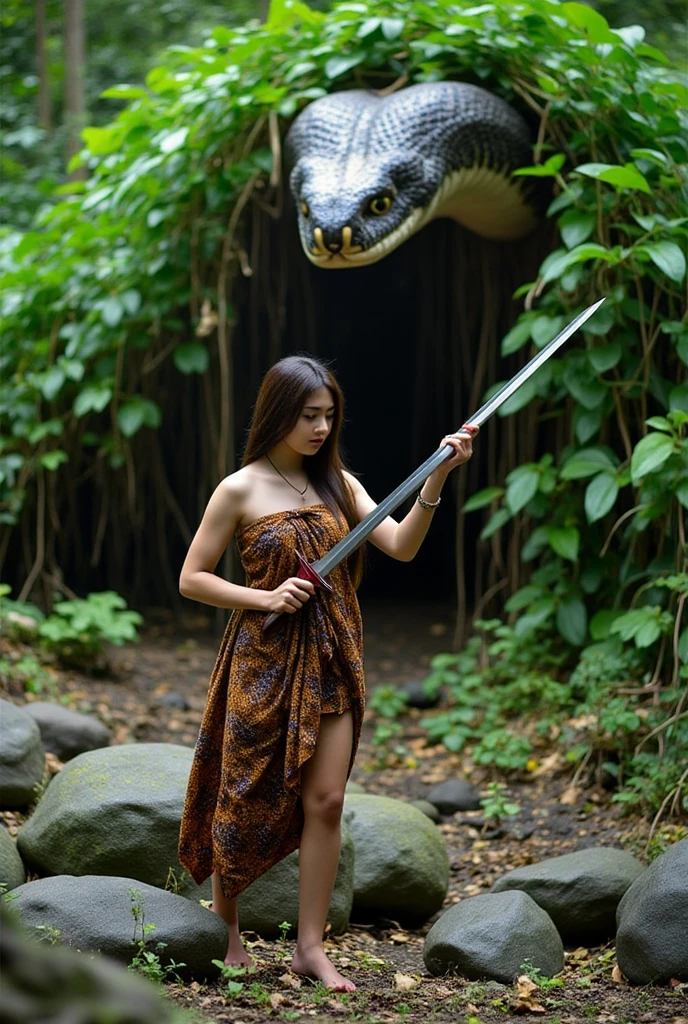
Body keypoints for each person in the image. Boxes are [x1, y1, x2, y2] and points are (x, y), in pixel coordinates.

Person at [178, 355, 477, 992]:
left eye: (328, 415)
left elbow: (399, 545)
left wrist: (435, 480)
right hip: (262, 659)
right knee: (242, 793)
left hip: (334, 656)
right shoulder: (239, 488)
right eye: (308, 415)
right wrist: (263, 597)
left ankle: (309, 946)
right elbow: (192, 578)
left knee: (328, 800)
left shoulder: (340, 482)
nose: (320, 427)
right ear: (277, 414)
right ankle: (224, 924)